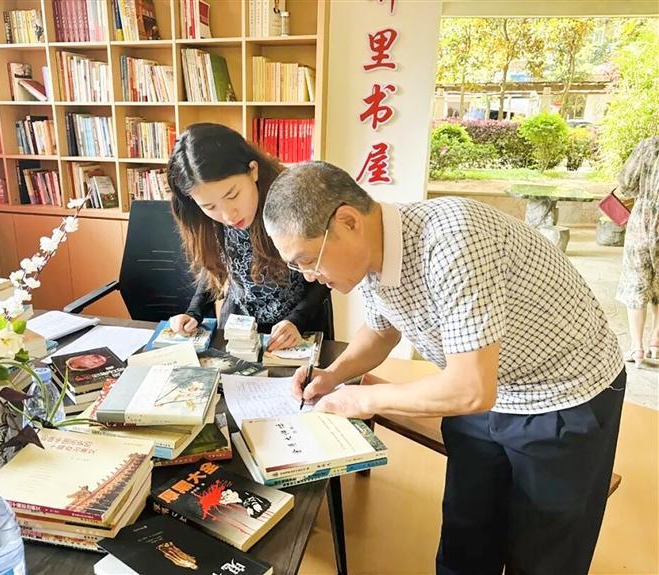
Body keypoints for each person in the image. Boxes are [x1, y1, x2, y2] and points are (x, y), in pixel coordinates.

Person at [262, 161, 625, 575]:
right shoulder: (372, 254)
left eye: (309, 260)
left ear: (348, 221)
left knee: (544, 553)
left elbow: (471, 389)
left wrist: (363, 399)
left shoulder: (455, 240)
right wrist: (333, 375)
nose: (309, 276)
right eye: (298, 266)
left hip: (562, 394)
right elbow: (380, 331)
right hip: (484, 390)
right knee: (466, 535)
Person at [166, 123, 331, 351]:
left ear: (253, 170)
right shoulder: (201, 216)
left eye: (233, 195)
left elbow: (326, 269)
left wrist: (297, 320)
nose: (228, 215)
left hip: (301, 322)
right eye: (210, 206)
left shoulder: (294, 198)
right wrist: (194, 311)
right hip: (241, 322)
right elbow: (215, 263)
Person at [615, 136, 659, 366]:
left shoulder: (649, 145)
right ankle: (656, 342)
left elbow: (626, 184)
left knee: (636, 282)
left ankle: (637, 348)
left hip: (643, 220)